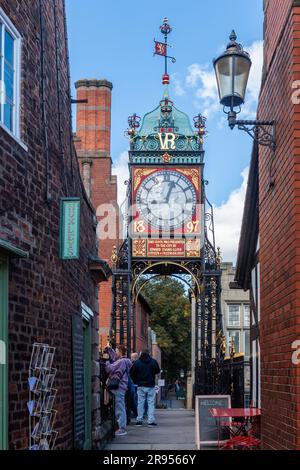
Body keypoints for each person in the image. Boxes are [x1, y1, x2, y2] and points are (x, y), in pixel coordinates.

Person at [103, 344, 132, 436]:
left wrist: (107, 361)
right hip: (121, 387)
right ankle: (120, 426)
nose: (115, 352)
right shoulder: (124, 361)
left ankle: (122, 429)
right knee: (119, 406)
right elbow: (114, 359)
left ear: (120, 352)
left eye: (116, 351)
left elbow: (109, 368)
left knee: (120, 408)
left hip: (118, 387)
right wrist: (109, 350)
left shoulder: (121, 362)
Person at [130, 349, 160, 427]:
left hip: (140, 385)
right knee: (150, 403)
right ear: (149, 353)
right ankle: (151, 421)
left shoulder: (137, 363)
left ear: (141, 354)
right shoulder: (153, 361)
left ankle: (139, 420)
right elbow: (157, 371)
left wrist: (136, 381)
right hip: (150, 385)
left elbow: (132, 373)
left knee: (140, 403)